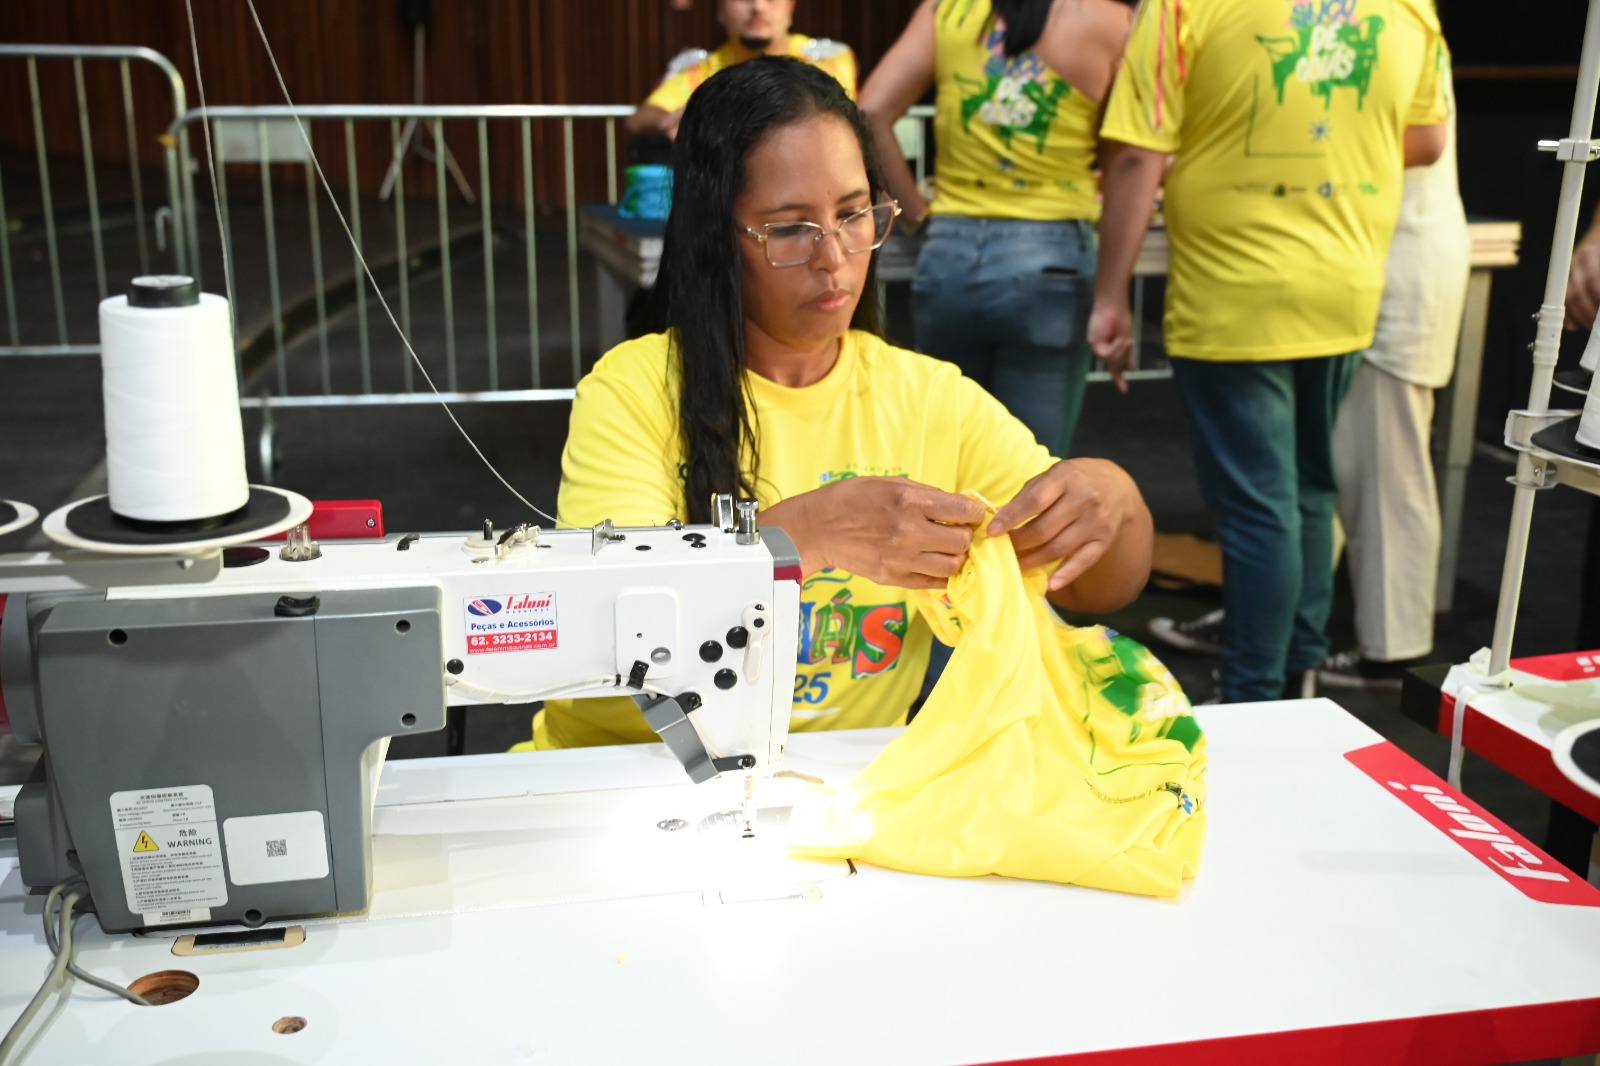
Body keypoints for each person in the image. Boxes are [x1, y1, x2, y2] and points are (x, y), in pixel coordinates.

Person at [524, 56, 1153, 749]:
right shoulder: (634, 391)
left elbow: (1098, 587)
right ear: (717, 236)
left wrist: (1115, 500)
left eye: (854, 214)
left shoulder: (928, 399)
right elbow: (613, 640)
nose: (835, 258)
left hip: (832, 797)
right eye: (791, 228)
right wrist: (804, 538)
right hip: (622, 779)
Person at [1090, 0, 1448, 703]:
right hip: (1345, 284)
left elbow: (1137, 152)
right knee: (1310, 488)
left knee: (1258, 505)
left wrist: (1110, 294)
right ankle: (1300, 671)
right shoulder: (1408, 7)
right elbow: (1429, 139)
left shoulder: (1183, 7)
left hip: (1236, 289)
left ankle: (1254, 694)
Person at [858, 0, 1135, 458]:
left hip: (948, 255)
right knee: (1034, 472)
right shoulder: (1111, 21)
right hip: (1052, 263)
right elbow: (1129, 155)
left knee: (948, 459)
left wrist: (915, 215)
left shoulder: (946, 11)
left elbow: (870, 111)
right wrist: (1112, 292)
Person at [625, 0, 857, 142]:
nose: (757, 6)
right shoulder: (701, 70)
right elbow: (639, 119)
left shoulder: (828, 60)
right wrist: (683, 117)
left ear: (790, 8)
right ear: (721, 9)